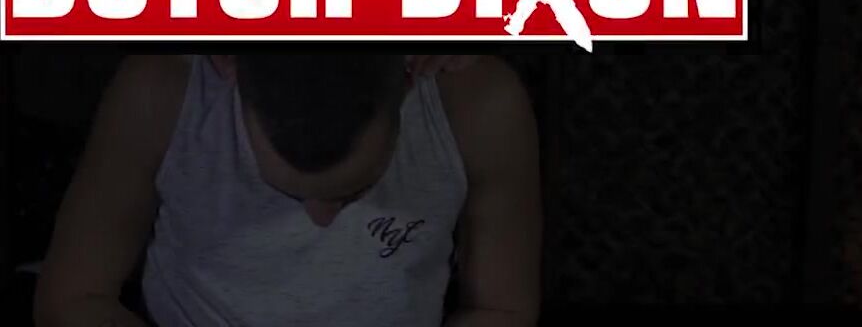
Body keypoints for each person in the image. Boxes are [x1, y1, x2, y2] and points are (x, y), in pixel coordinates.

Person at [33, 53, 542, 326]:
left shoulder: (477, 107)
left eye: (353, 194)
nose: (321, 220)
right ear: (229, 64)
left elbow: (504, 309)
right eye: (290, 194)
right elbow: (72, 299)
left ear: (409, 71)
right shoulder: (161, 94)